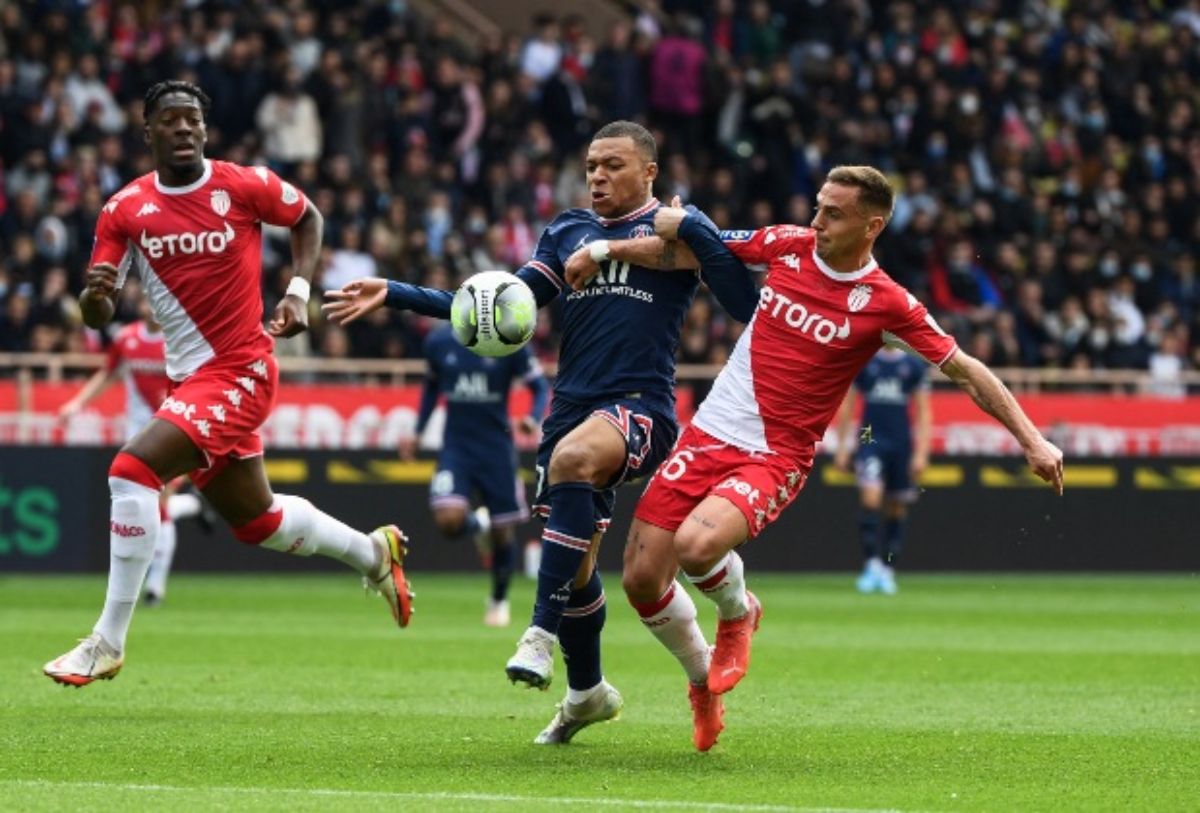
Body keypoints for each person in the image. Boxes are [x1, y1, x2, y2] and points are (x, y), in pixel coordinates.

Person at [567, 165, 1063, 752]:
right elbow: (683, 252)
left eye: (834, 213)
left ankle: (738, 610)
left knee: (697, 547)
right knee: (642, 580)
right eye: (819, 206)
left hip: (775, 455)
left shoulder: (888, 304)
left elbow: (965, 370)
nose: (817, 220)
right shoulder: (786, 245)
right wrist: (604, 250)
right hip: (707, 434)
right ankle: (703, 681)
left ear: (871, 226)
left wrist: (1032, 439)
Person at [323, 120, 757, 744]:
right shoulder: (566, 231)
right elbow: (498, 305)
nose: (598, 177)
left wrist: (692, 229)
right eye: (590, 167)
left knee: (577, 463)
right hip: (569, 413)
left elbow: (743, 302)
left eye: (612, 165)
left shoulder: (671, 229)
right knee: (577, 569)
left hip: (642, 407)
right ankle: (595, 693)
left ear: (650, 172)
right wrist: (396, 294)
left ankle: (537, 634)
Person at [42, 80, 413, 688]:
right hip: (191, 380)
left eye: (193, 119)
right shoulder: (125, 210)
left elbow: (308, 217)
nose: (184, 128)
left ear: (205, 130)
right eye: (171, 120)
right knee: (257, 522)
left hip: (241, 368)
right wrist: (95, 299)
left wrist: (297, 292)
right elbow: (96, 312)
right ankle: (373, 553)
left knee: (131, 472)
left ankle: (106, 641)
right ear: (149, 133)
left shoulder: (242, 185)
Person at [58, 290, 218, 607]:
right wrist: (76, 404)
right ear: (140, 306)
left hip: (176, 430)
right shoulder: (126, 339)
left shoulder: (182, 339)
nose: (153, 307)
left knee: (159, 504)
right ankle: (193, 508)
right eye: (147, 302)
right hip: (137, 437)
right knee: (146, 506)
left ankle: (155, 586)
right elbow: (107, 374)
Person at [403, 323, 550, 627]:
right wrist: (417, 432)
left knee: (502, 532)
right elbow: (432, 388)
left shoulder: (509, 338)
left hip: (496, 449)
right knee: (448, 520)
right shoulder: (439, 340)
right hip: (456, 447)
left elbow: (540, 387)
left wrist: (533, 417)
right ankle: (478, 523)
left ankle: (498, 599)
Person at [832, 346, 933, 595]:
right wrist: (842, 447)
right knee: (870, 497)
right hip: (869, 437)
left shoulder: (914, 365)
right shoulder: (864, 360)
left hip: (901, 441)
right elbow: (848, 405)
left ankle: (888, 568)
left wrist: (921, 453)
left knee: (897, 506)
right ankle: (871, 564)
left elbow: (923, 411)